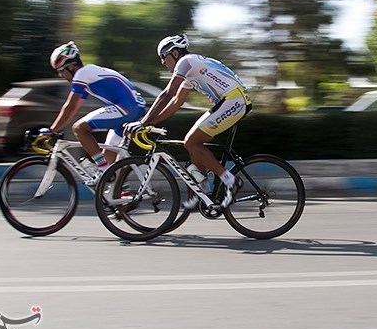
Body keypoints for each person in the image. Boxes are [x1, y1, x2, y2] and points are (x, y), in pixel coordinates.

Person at [124, 34, 252, 210]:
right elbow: (176, 102)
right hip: (230, 101)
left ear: (175, 53)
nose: (162, 62)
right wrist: (149, 123)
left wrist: (143, 122)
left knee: (191, 141)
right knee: (193, 144)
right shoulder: (191, 70)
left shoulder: (186, 61)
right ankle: (204, 193)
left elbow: (167, 94)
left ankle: (231, 181)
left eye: (163, 56)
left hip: (233, 100)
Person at [43, 41, 147, 186]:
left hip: (127, 108)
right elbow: (75, 108)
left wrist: (52, 130)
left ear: (71, 66)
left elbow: (70, 107)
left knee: (79, 128)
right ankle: (121, 197)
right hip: (133, 108)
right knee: (108, 158)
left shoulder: (82, 74)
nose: (61, 75)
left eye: (61, 71)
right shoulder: (89, 74)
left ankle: (102, 171)